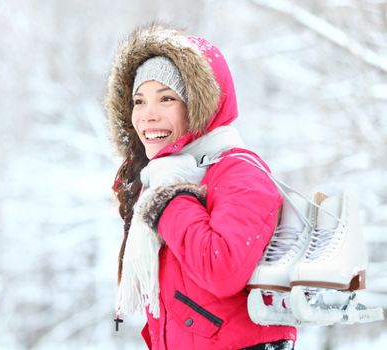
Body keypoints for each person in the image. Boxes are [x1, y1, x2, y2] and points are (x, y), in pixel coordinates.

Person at [105, 23, 297, 349]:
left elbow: (222, 268)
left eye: (166, 98)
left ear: (198, 106)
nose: (147, 115)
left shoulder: (240, 173)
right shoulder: (169, 174)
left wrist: (169, 198)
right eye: (139, 101)